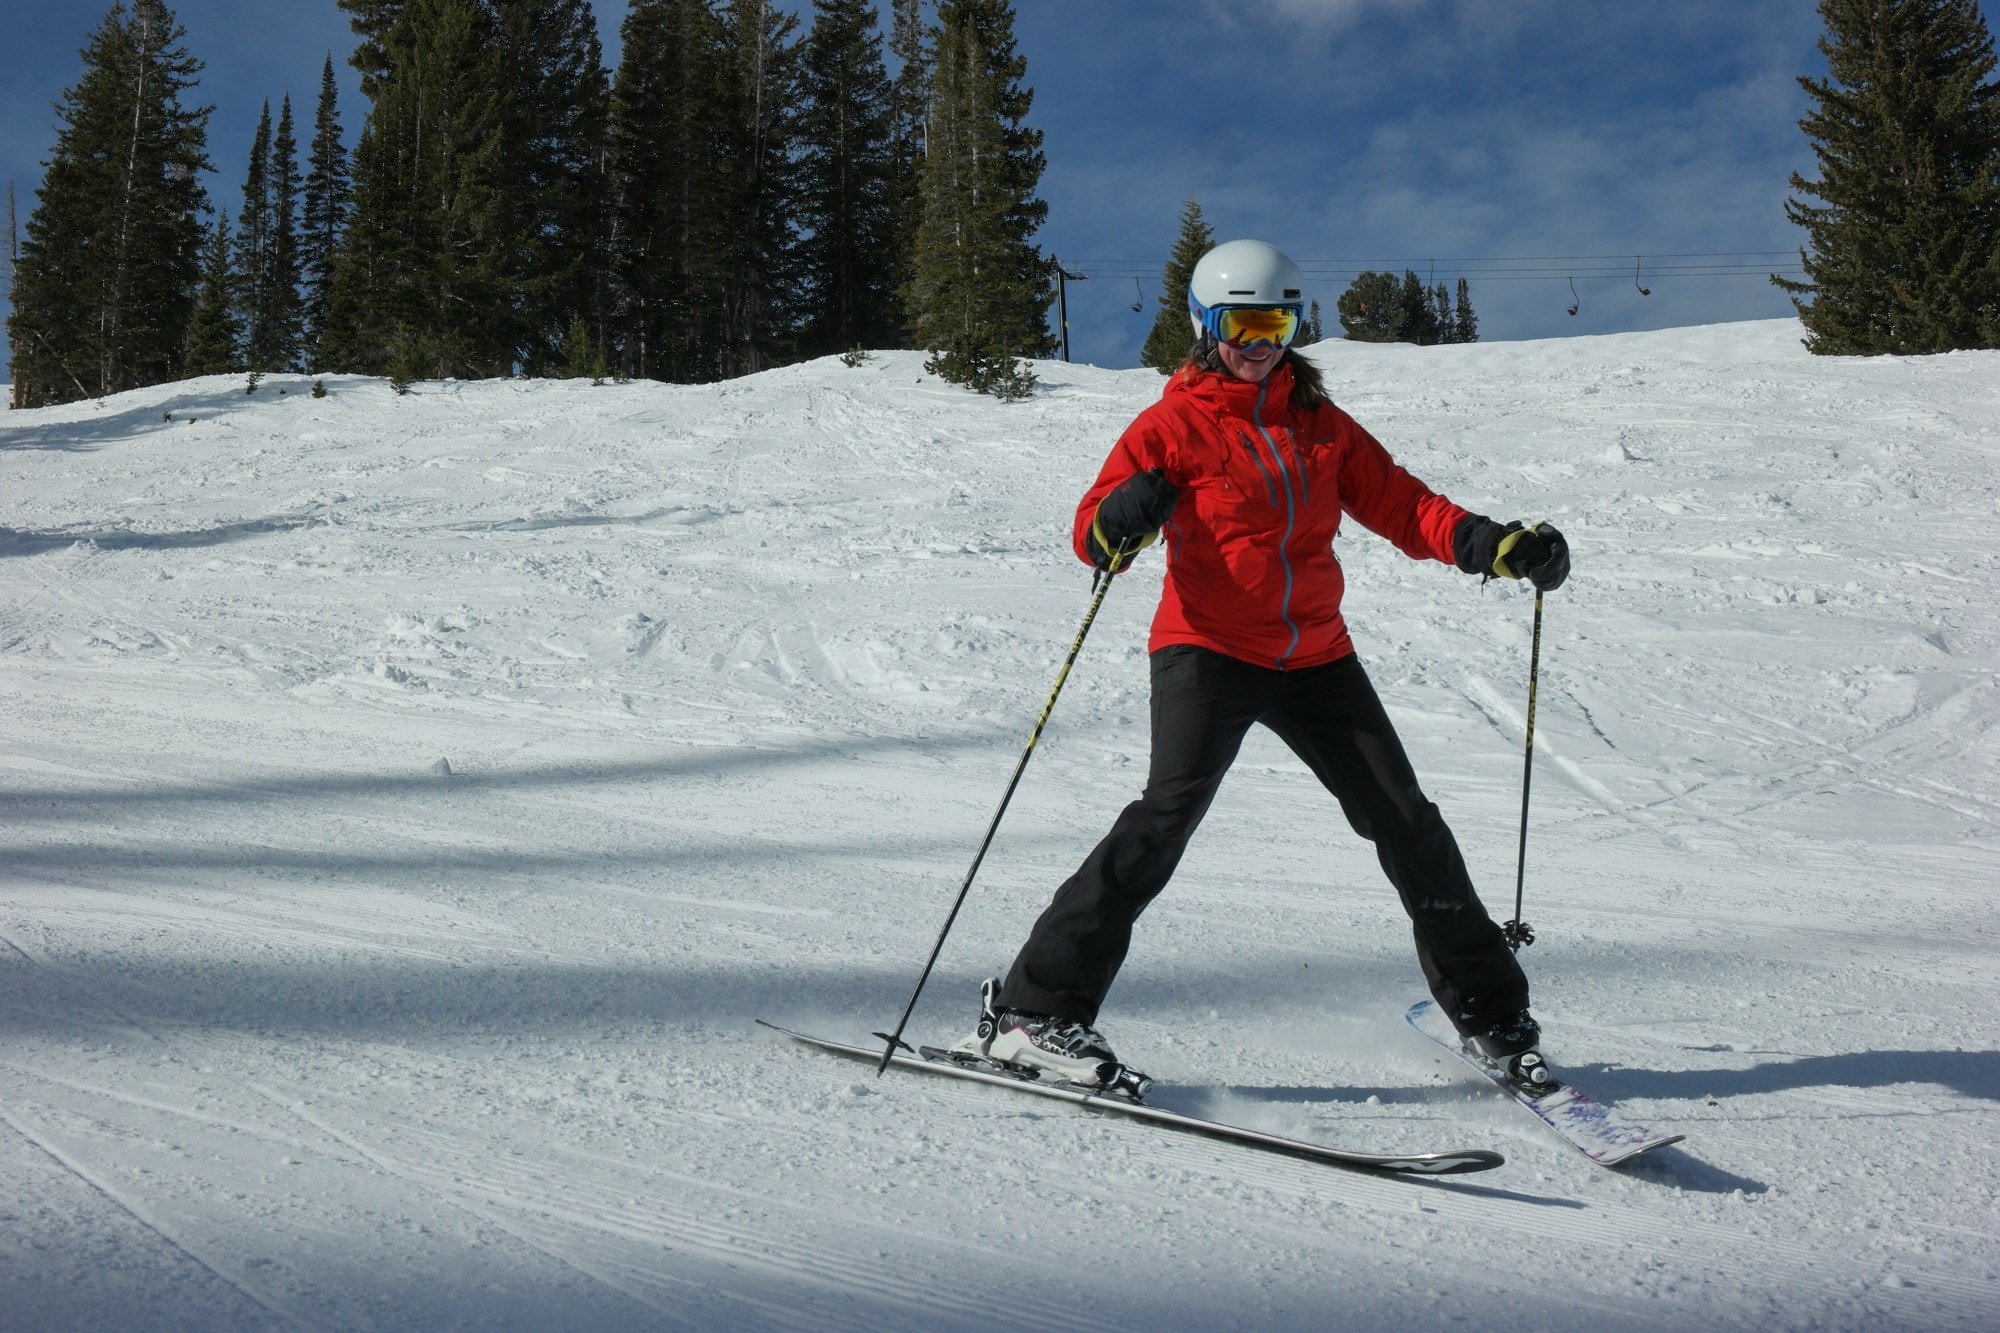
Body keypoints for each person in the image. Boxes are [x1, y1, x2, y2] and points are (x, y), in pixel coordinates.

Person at [950, 239, 1570, 1094]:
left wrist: (1489, 544)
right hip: (1207, 646)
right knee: (1163, 820)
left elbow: (1403, 502)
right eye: (1242, 323)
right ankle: (1033, 1009)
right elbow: (1092, 530)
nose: (1261, 340)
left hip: (1316, 652)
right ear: (1207, 326)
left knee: (1408, 823)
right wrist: (1119, 519)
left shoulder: (1318, 423)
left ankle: (1493, 1014)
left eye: (1277, 321)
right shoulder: (1170, 426)